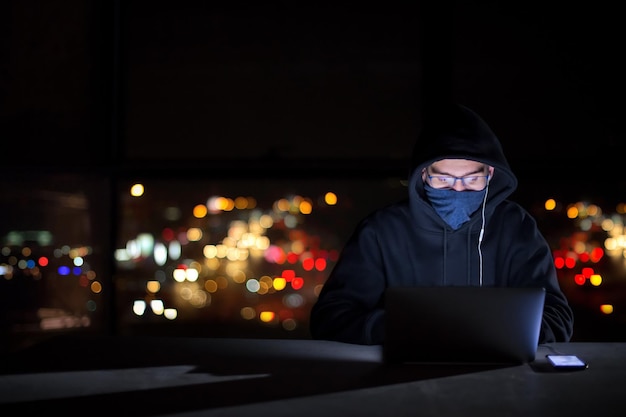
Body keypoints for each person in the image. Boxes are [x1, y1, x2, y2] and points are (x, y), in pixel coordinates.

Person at [309, 103, 574, 345]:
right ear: (424, 173)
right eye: (444, 180)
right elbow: (330, 318)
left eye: (471, 180)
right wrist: (404, 329)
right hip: (398, 386)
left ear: (490, 173)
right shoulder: (381, 231)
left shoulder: (516, 227)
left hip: (501, 382)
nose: (458, 191)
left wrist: (495, 333)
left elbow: (557, 317)